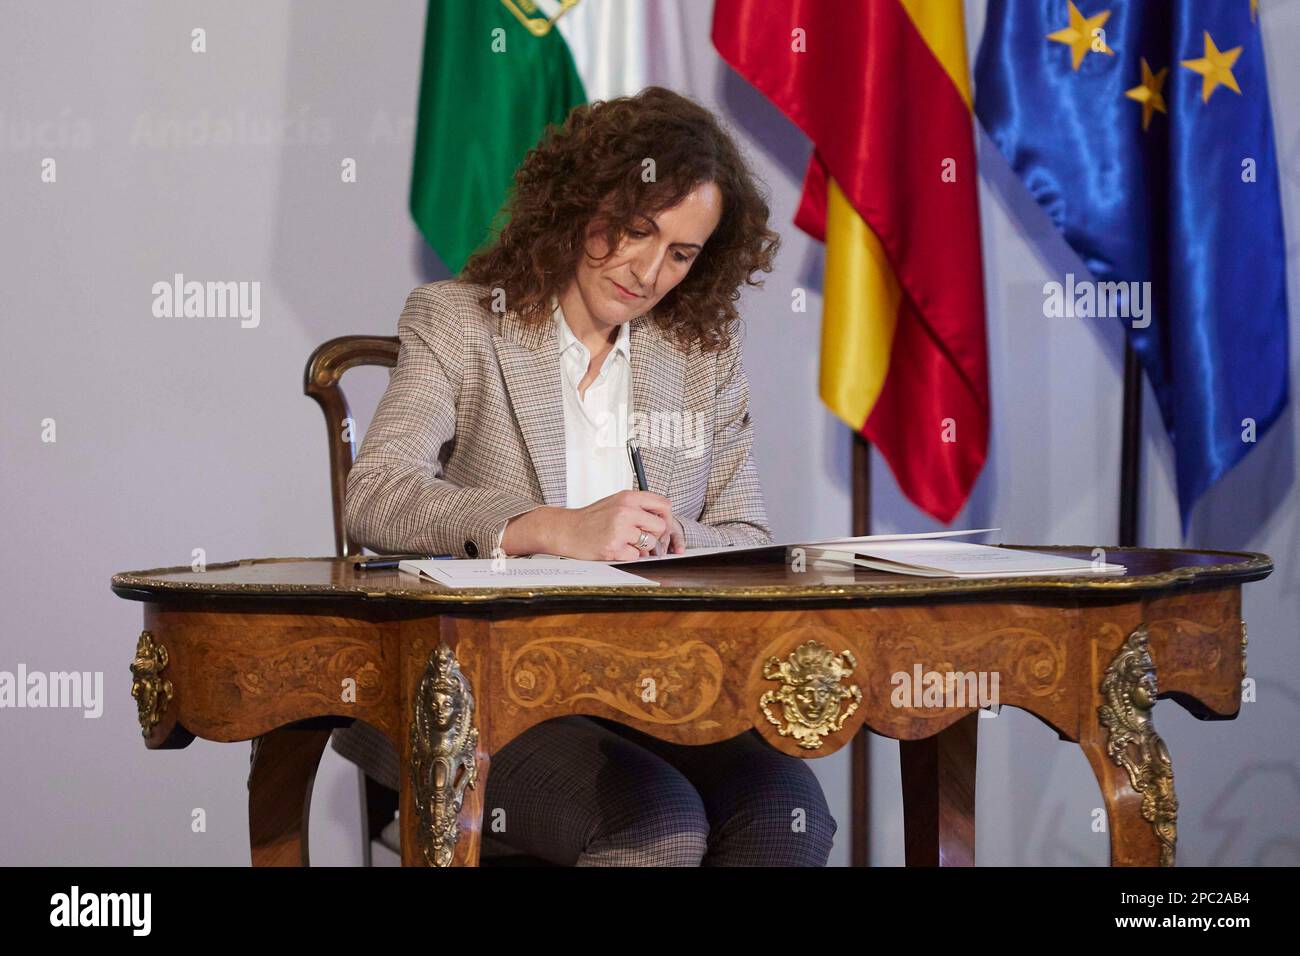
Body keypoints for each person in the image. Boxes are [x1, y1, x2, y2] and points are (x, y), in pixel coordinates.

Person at [334, 86, 836, 866]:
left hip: (654, 687)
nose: (647, 271)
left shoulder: (699, 357)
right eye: (636, 230)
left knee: (785, 809)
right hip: (479, 692)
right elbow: (377, 495)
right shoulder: (460, 322)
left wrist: (671, 535)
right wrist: (552, 528)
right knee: (654, 823)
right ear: (577, 203)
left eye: (680, 252)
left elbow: (748, 535)